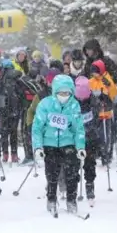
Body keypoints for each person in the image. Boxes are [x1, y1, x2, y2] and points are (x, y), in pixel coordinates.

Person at [32, 74, 86, 215]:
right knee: (51, 174)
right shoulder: (45, 104)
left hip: (68, 144)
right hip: (50, 144)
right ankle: (51, 199)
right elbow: (37, 128)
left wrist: (80, 147)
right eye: (61, 93)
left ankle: (71, 200)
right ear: (55, 92)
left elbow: (78, 129)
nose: (64, 96)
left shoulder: (74, 105)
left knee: (72, 174)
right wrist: (38, 147)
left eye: (67, 93)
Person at [88, 59, 117, 166]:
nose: (94, 74)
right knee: (94, 135)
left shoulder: (107, 79)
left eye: (96, 72)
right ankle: (96, 153)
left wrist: (110, 86)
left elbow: (115, 96)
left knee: (105, 136)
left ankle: (106, 155)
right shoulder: (91, 81)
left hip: (106, 113)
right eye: (93, 72)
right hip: (94, 113)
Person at [75, 76, 100, 203]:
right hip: (75, 138)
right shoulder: (72, 102)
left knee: (90, 163)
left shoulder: (94, 101)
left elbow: (96, 119)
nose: (82, 99)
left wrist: (88, 129)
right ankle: (73, 184)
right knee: (73, 163)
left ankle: (90, 185)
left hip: (90, 137)